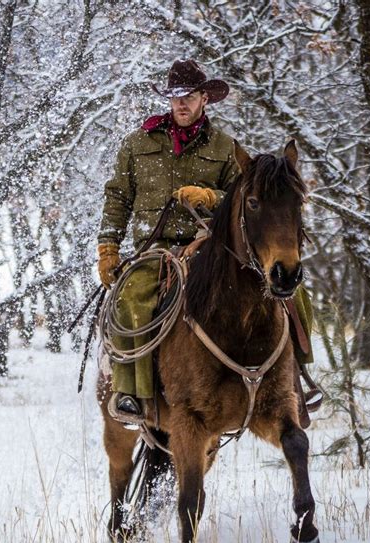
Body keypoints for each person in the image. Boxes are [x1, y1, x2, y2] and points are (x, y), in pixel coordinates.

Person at [97, 59, 317, 424]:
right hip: (156, 248)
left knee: (294, 294)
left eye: (189, 96)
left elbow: (244, 198)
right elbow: (117, 197)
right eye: (175, 97)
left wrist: (210, 197)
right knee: (132, 297)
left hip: (209, 244)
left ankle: (299, 379)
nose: (181, 104)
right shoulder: (137, 145)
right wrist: (108, 247)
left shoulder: (225, 147)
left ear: (204, 99)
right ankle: (133, 392)